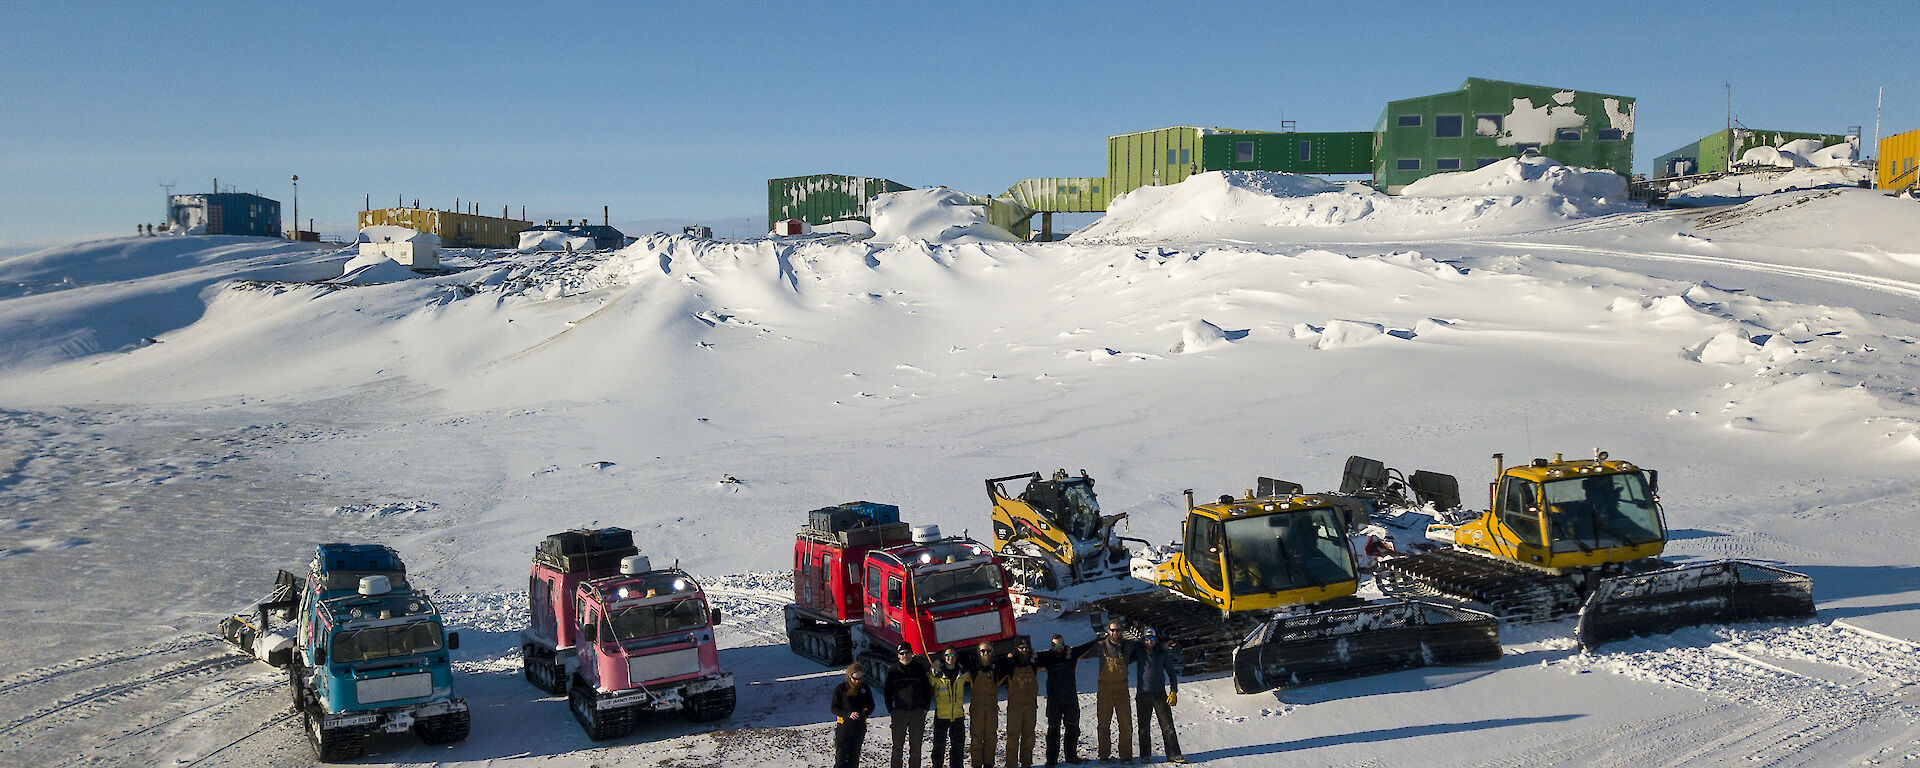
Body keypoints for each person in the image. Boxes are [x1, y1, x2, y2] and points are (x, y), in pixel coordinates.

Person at [1034, 633, 1097, 767]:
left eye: (1060, 644)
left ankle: (1071, 755)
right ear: (1051, 646)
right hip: (1054, 700)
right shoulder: (1046, 657)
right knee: (1053, 730)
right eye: (1055, 645)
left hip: (1070, 698)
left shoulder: (1072, 654)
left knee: (1072, 728)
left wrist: (1098, 639)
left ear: (1064, 644)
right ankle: (1051, 759)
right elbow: (1029, 657)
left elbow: (1084, 647)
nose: (1058, 647)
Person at [1131, 629, 1183, 764]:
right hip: (1143, 695)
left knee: (1168, 726)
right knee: (1143, 727)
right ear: (1143, 639)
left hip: (1160, 694)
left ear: (1156, 640)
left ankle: (1173, 754)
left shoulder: (1162, 654)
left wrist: (1173, 692)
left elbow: (1172, 674)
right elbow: (1124, 658)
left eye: (1152, 639)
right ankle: (1145, 755)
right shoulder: (1139, 652)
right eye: (1147, 639)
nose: (1149, 642)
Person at [885, 644, 933, 768]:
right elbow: (887, 692)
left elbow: (927, 690)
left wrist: (925, 708)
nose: (904, 656)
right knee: (897, 747)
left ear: (911, 653)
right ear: (898, 655)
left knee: (916, 748)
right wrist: (891, 710)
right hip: (899, 713)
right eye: (901, 653)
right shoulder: (892, 670)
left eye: (907, 653)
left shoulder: (919, 668)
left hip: (917, 712)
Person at [1093, 621, 1135, 763]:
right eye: (1112, 630)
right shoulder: (1100, 646)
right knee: (1103, 725)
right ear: (1108, 630)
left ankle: (1126, 755)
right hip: (1105, 691)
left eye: (1117, 630)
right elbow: (1080, 651)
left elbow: (1147, 647)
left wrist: (1163, 646)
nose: (1115, 633)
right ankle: (1104, 754)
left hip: (1122, 691)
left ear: (1121, 631)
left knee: (1125, 724)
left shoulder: (1128, 645)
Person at [966, 641, 1006, 768]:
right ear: (978, 652)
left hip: (992, 707)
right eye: (983, 651)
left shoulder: (997, 667)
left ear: (993, 652)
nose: (985, 653)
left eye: (988, 651)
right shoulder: (972, 667)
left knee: (991, 737)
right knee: (976, 738)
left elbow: (1012, 667)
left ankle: (989, 763)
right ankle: (976, 764)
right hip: (977, 708)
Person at [1002, 638, 1040, 768]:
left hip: (1030, 706)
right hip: (1015, 707)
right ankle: (1011, 764)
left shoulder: (1033, 663)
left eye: (1026, 647)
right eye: (1021, 648)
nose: (1024, 650)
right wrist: (1008, 659)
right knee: (1013, 737)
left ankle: (1026, 763)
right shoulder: (1011, 665)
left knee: (1029, 736)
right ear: (1016, 649)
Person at [832, 662, 877, 768]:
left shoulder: (864, 688)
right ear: (849, 676)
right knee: (841, 759)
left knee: (854, 758)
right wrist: (848, 714)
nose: (858, 682)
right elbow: (834, 708)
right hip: (844, 727)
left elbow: (871, 705)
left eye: (860, 679)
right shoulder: (841, 689)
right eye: (855, 679)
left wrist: (865, 712)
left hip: (859, 727)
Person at [929, 647, 968, 768]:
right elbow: (925, 681)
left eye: (952, 655)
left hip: (958, 716)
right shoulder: (937, 675)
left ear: (956, 657)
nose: (950, 658)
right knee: (939, 747)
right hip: (942, 716)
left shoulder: (963, 674)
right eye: (947, 656)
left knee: (958, 746)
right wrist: (932, 667)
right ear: (943, 658)